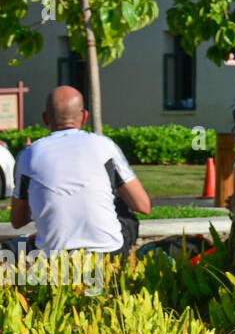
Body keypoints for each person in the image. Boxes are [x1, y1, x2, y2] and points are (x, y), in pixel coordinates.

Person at [7, 86, 151, 257]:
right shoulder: (104, 146)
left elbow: (17, 221)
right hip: (107, 253)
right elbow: (143, 206)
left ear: (45, 118)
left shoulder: (28, 155)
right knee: (122, 204)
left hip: (53, 257)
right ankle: (119, 271)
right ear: (84, 117)